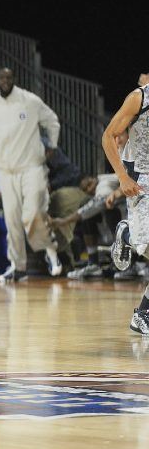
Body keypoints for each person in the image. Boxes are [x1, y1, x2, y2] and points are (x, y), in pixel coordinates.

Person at [0, 67, 63, 282]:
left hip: (31, 167)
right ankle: (18, 267)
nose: (5, 80)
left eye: (9, 76)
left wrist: (52, 145)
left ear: (14, 79)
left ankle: (50, 251)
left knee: (32, 213)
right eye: (1, 77)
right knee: (12, 221)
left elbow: (52, 121)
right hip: (6, 172)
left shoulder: (30, 101)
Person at [100, 77, 149, 333]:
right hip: (140, 177)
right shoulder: (139, 98)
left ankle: (143, 314)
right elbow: (109, 136)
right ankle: (126, 233)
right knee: (148, 247)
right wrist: (122, 177)